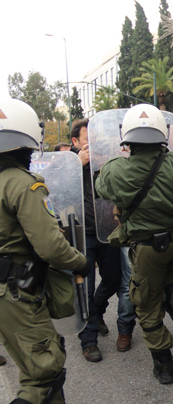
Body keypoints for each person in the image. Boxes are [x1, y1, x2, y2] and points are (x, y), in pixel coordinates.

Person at [95, 104, 173, 384]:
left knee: (145, 306)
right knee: (165, 266)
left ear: (127, 138)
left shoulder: (117, 169)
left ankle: (164, 363)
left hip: (145, 247)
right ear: (163, 134)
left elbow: (101, 187)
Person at [0, 98, 88, 404]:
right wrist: (81, 261)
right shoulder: (24, 185)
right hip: (17, 290)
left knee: (28, 365)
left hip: (5, 293)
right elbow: (51, 246)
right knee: (44, 372)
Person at [70, 118, 125, 361]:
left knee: (113, 280)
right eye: (87, 140)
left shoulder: (106, 162)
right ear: (75, 142)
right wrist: (75, 165)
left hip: (109, 232)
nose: (93, 145)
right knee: (86, 286)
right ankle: (89, 341)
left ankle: (97, 309)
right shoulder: (68, 165)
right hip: (83, 237)